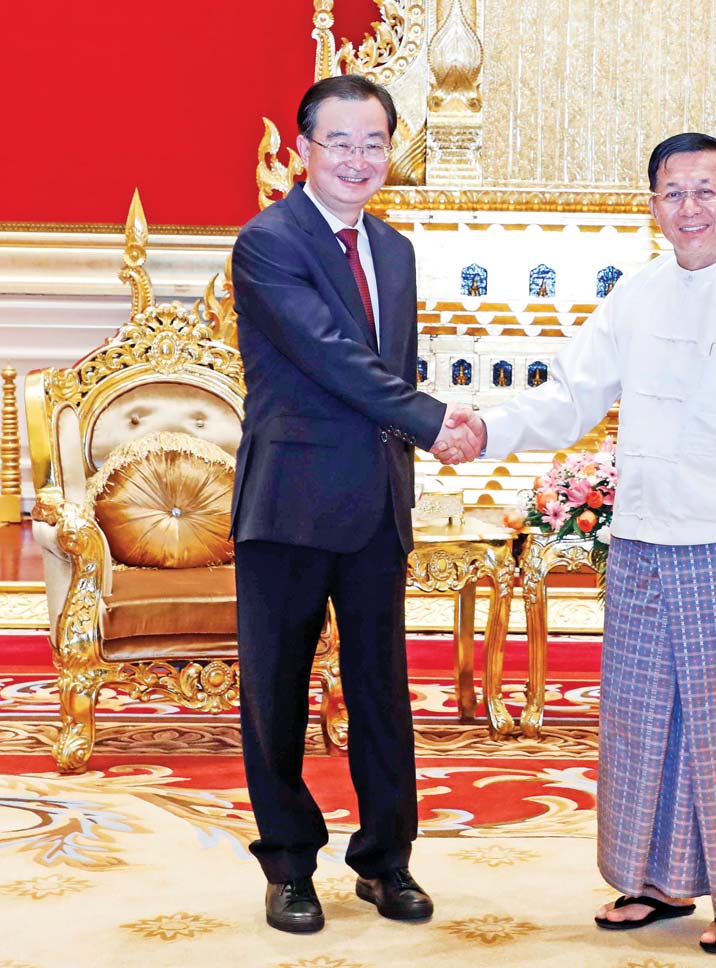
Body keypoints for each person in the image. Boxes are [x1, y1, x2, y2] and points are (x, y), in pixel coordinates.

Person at [450, 133, 716, 953]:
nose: (689, 209)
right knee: (642, 715)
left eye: (705, 191)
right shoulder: (636, 294)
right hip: (644, 538)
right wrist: (486, 430)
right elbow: (572, 395)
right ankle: (656, 880)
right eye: (672, 193)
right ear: (652, 205)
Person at [230, 75, 480, 934]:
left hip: (376, 502)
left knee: (382, 691)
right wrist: (435, 423)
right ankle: (289, 866)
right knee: (276, 692)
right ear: (303, 150)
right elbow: (331, 354)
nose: (358, 159)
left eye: (374, 143)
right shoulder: (267, 242)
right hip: (289, 502)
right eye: (339, 142)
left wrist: (417, 436)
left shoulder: (395, 250)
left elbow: (385, 369)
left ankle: (386, 861)